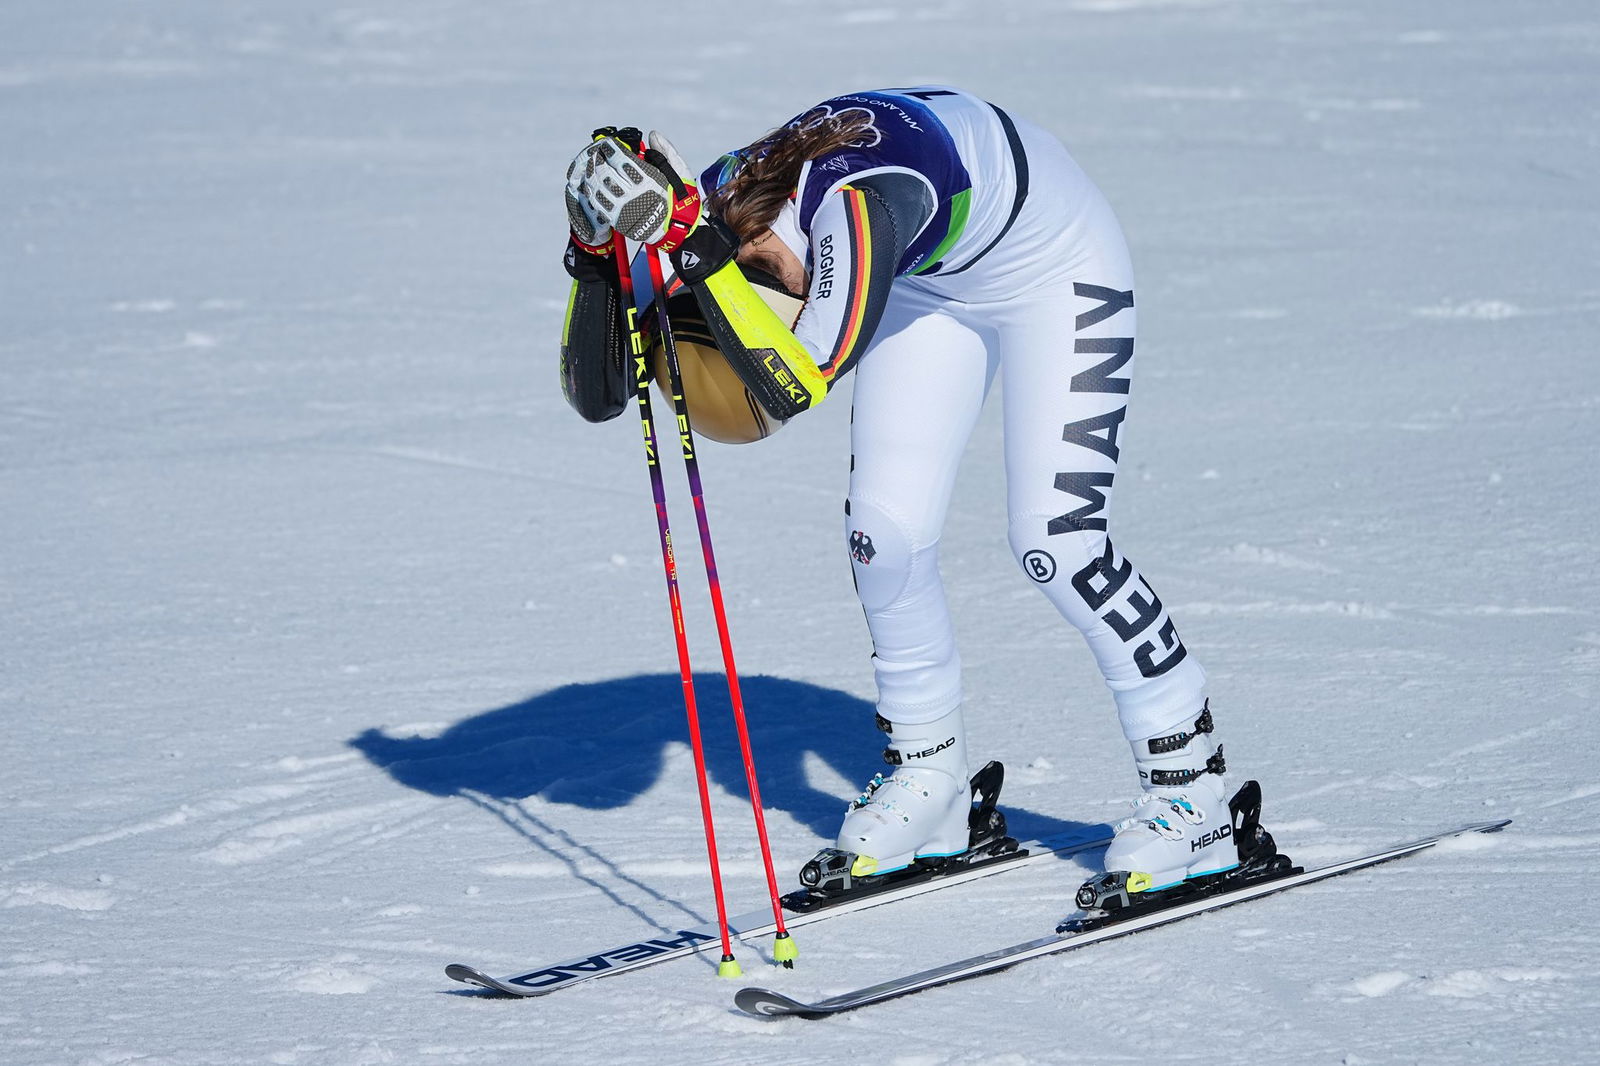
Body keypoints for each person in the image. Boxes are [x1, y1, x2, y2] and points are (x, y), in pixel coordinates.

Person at [558, 87, 1243, 899]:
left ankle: (1193, 795)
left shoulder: (861, 210)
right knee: (881, 536)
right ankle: (930, 783)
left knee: (1058, 541)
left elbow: (787, 386)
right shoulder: (719, 206)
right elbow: (600, 394)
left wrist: (705, 266)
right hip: (929, 282)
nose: (782, 306)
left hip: (1055, 269)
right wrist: (594, 259)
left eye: (777, 290)